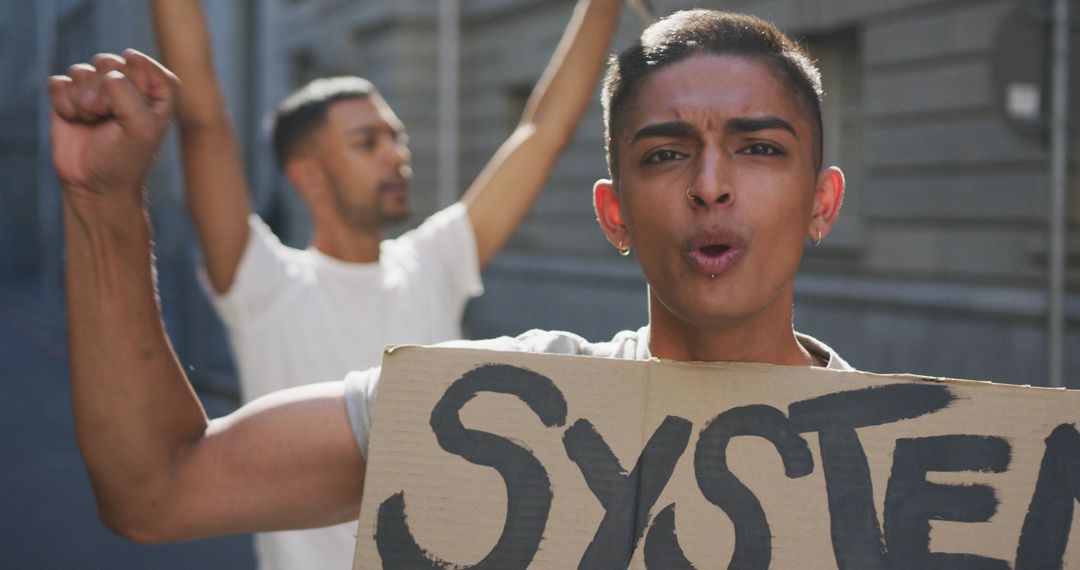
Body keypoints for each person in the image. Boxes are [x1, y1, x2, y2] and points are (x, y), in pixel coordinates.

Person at [48, 7, 849, 557]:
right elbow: (153, 489)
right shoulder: (488, 407)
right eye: (666, 153)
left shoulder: (942, 471)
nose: (711, 185)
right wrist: (101, 202)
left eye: (760, 149)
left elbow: (541, 127)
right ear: (613, 214)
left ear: (824, 202)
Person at [146, 1, 620, 568]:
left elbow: (543, 130)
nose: (397, 155)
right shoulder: (263, 283)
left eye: (397, 137)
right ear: (309, 175)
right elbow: (202, 118)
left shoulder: (431, 261)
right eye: (368, 143)